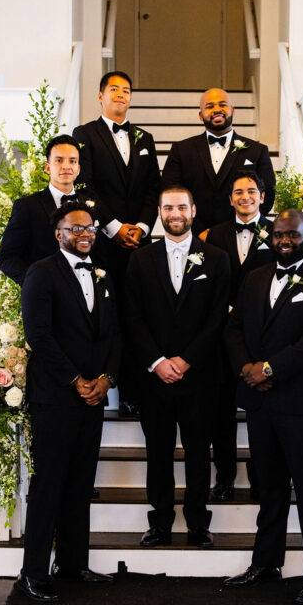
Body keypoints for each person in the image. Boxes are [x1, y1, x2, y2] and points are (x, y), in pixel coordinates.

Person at [223, 209, 303, 605]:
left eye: (292, 234)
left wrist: (271, 368)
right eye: (278, 234)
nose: (284, 240)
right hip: (261, 402)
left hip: (302, 405)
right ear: (270, 237)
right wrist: (247, 368)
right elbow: (235, 328)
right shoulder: (256, 278)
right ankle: (266, 563)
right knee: (270, 488)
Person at [17, 201, 121, 601]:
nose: (86, 234)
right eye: (76, 228)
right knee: (48, 485)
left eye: (91, 228)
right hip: (55, 397)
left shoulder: (104, 274)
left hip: (93, 396)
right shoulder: (40, 274)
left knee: (80, 483)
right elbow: (39, 337)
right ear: (58, 233)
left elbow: (113, 334)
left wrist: (106, 379)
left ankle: (74, 564)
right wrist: (76, 379)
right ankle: (33, 573)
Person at [125, 186, 230, 549]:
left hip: (200, 376)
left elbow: (217, 318)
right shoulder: (139, 259)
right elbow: (132, 317)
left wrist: (186, 360)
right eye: (168, 207)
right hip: (155, 378)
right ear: (159, 211)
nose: (175, 213)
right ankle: (161, 522)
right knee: (158, 451)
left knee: (200, 452)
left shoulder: (216, 259)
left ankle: (198, 523)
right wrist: (157, 361)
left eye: (181, 206)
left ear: (194, 209)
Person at [73, 70, 161, 411]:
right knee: (108, 315)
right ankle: (103, 387)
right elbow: (86, 186)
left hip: (139, 243)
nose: (121, 95)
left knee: (139, 314)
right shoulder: (84, 134)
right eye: (114, 90)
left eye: (126, 90)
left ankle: (134, 393)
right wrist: (113, 226)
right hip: (102, 243)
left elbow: (154, 187)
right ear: (100, 95)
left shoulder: (145, 137)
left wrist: (139, 225)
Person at [203, 171, 275, 501]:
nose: (244, 196)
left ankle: (263, 478)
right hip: (221, 335)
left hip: (263, 335)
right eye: (238, 192)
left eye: (251, 191)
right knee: (220, 410)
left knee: (262, 408)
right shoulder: (213, 234)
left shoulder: (278, 232)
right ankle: (226, 476)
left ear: (262, 196)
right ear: (230, 199)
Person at [161, 88, 275, 235]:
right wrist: (197, 230)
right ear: (201, 116)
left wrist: (239, 226)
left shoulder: (257, 151)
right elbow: (170, 193)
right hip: (194, 236)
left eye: (223, 105)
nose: (217, 110)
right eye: (209, 106)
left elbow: (267, 194)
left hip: (240, 234)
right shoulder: (181, 150)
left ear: (233, 111)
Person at [0, 135, 98, 286]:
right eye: (59, 160)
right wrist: (35, 284)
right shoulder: (27, 206)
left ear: (78, 169)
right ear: (48, 168)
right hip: (46, 298)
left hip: (87, 294)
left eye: (72, 161)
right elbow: (7, 257)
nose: (66, 166)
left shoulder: (91, 205)